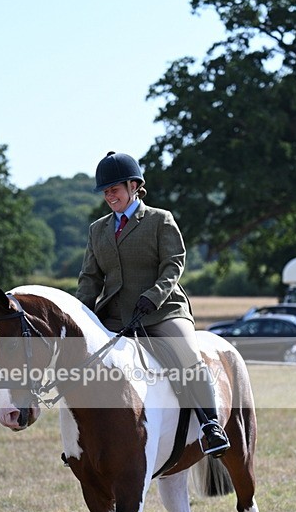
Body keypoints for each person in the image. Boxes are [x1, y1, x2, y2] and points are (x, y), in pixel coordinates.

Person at [75, 151, 230, 458]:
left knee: (188, 357)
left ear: (134, 185)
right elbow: (89, 278)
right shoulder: (97, 230)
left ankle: (211, 426)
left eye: (114, 189)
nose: (109, 195)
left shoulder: (160, 220)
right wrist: (81, 315)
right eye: (105, 191)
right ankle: (83, 443)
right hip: (117, 314)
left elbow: (174, 265)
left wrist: (154, 295)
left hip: (162, 309)